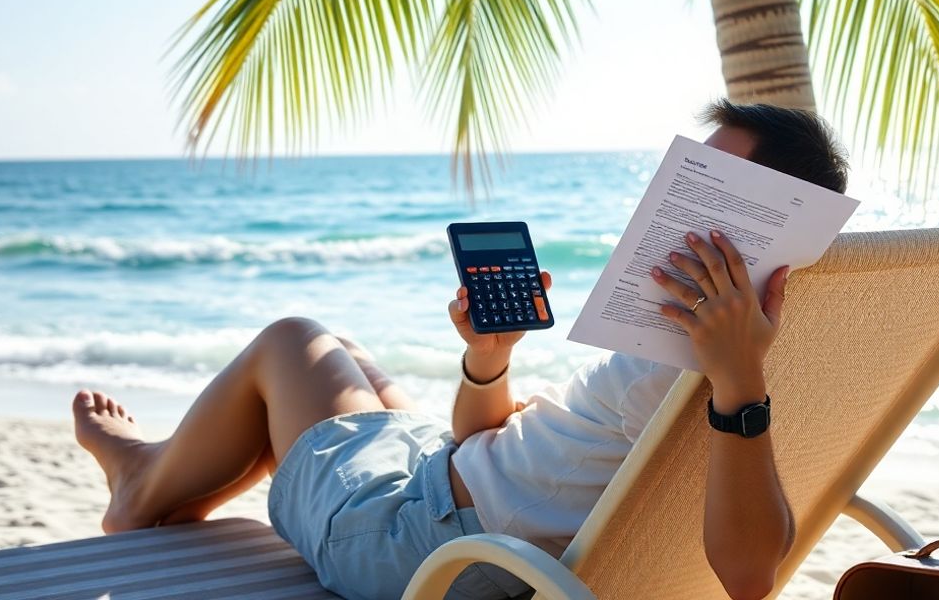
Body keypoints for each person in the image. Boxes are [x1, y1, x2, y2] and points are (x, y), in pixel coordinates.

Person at [72, 100, 850, 600]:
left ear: (766, 221)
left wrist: (735, 378)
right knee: (346, 355)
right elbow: (487, 441)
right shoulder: (802, 343)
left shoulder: (702, 366)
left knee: (294, 340)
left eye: (708, 182)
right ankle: (184, 477)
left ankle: (142, 489)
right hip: (453, 492)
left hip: (412, 542)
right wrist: (490, 358)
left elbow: (749, 574)